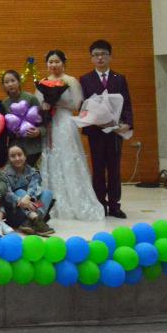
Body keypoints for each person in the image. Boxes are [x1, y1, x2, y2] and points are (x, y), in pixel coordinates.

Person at [39, 49, 105, 222]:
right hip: (49, 123)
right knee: (51, 158)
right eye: (50, 62)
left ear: (63, 63)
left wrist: (57, 102)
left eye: (57, 61)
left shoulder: (70, 81)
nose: (54, 65)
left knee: (68, 157)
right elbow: (39, 105)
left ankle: (76, 201)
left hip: (65, 121)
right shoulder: (43, 81)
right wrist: (46, 105)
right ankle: (52, 202)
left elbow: (77, 104)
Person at [80, 39, 133, 219]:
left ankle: (115, 205)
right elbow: (83, 105)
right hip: (96, 131)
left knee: (114, 168)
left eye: (103, 54)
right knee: (98, 168)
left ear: (110, 56)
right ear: (91, 58)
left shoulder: (119, 78)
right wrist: (93, 119)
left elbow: (127, 104)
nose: (100, 58)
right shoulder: (85, 79)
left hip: (115, 131)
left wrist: (127, 123)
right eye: (96, 55)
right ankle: (100, 204)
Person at [2, 142, 55, 236]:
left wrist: (28, 197)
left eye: (20, 155)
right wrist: (20, 200)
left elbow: (34, 188)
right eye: (13, 156)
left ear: (25, 156)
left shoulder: (33, 172)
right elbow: (7, 194)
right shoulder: (4, 174)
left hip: (33, 206)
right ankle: (37, 220)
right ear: (8, 158)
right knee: (20, 191)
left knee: (48, 193)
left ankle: (30, 222)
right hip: (15, 211)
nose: (17, 158)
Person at [0, 70, 44, 168]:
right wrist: (12, 133)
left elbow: (45, 122)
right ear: (3, 85)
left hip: (33, 148)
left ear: (19, 82)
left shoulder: (31, 98)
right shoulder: (4, 104)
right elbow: (5, 129)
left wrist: (38, 131)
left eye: (13, 81)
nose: (10, 84)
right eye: (6, 82)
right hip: (16, 149)